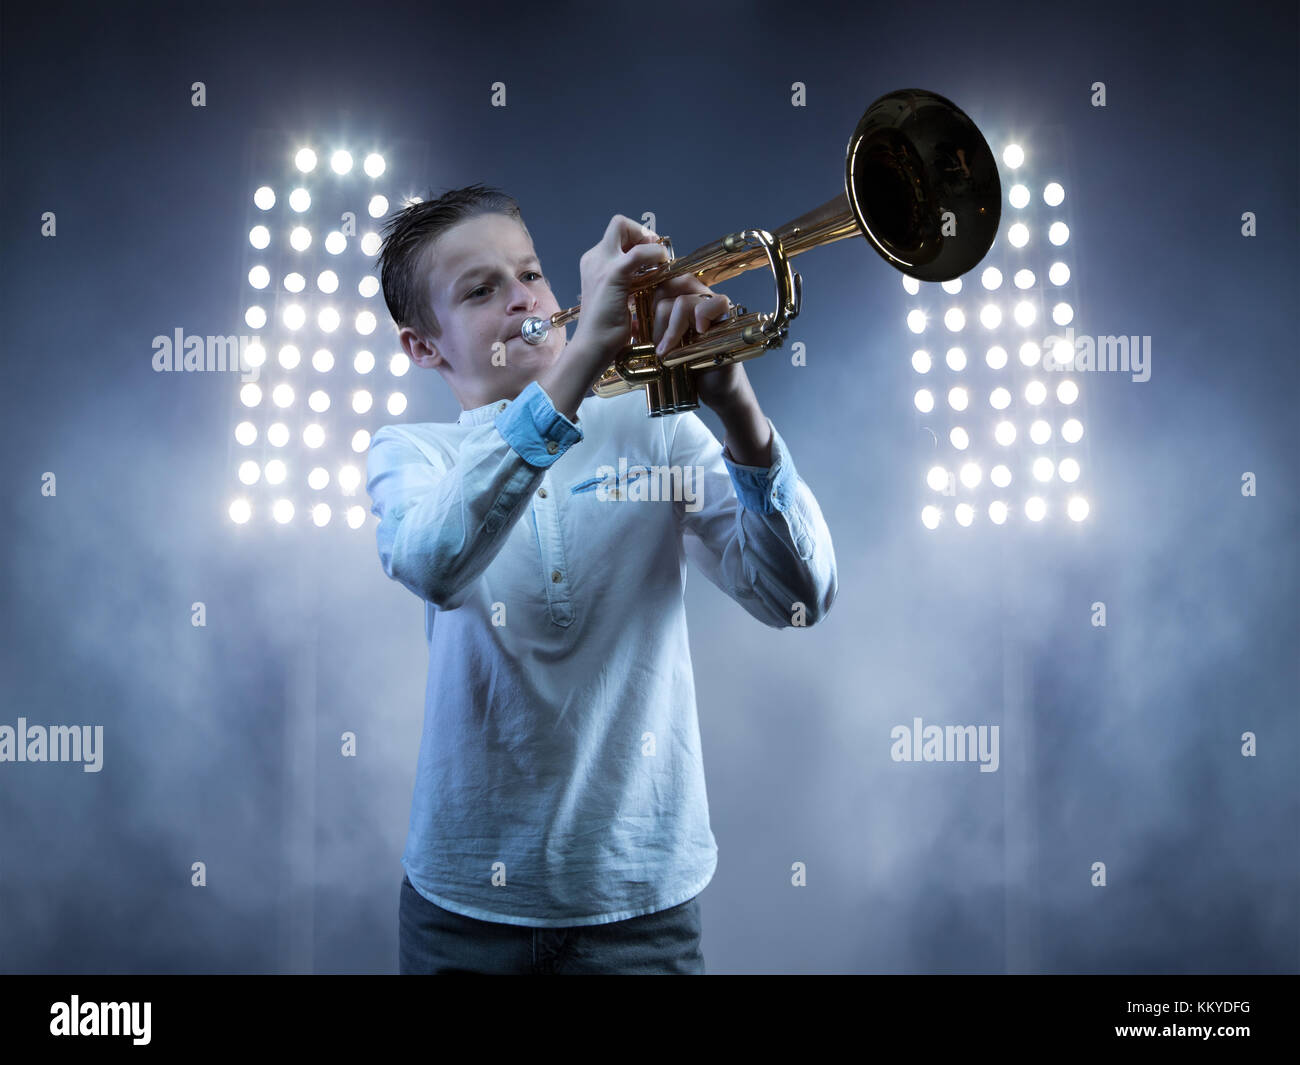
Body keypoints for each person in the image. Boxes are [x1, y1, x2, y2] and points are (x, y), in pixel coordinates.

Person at [366, 183, 837, 974]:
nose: (524, 301)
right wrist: (584, 356)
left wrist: (736, 406)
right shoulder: (412, 455)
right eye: (482, 290)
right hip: (464, 912)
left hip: (642, 906)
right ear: (424, 347)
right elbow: (437, 563)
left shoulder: (653, 429)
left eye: (532, 274)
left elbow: (800, 597)